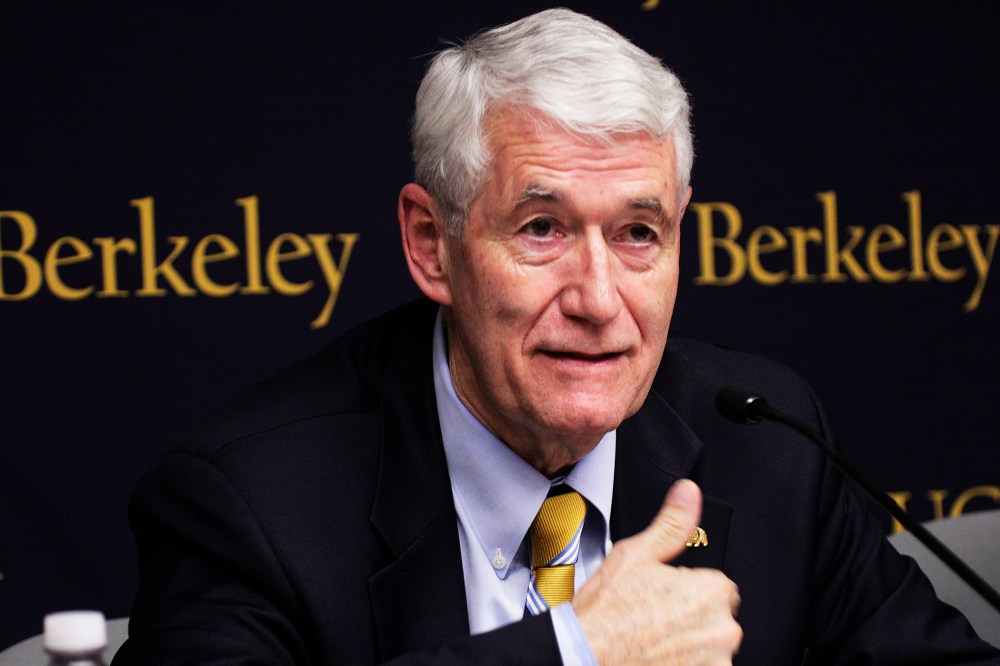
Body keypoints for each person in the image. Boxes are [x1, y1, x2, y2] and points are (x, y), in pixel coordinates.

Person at [113, 8, 999, 665]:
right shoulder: (253, 502)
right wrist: (576, 652)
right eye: (542, 229)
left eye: (638, 233)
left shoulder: (766, 446)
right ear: (431, 244)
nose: (599, 300)